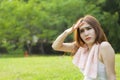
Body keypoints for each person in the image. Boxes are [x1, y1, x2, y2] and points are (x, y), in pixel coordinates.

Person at [52, 15, 116, 80]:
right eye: (82, 31)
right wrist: (67, 32)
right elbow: (55, 46)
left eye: (89, 28)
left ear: (96, 29)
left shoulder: (104, 47)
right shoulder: (81, 48)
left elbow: (112, 76)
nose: (86, 33)